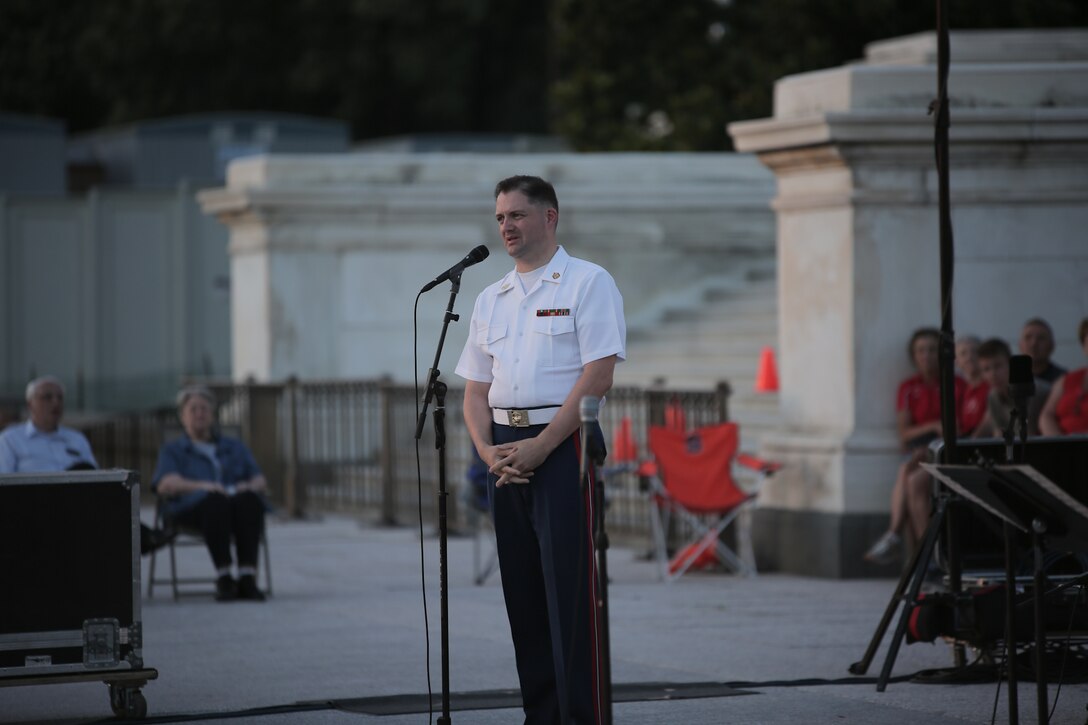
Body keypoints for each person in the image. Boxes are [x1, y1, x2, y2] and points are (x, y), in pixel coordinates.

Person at [456, 175, 625, 725]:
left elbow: (599, 374)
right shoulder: (490, 297)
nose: (506, 225)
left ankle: (581, 715)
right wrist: (486, 450)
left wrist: (544, 446)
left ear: (550, 217)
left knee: (570, 592)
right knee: (523, 591)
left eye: (518, 215)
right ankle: (543, 714)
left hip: (564, 443)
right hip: (505, 450)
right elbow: (476, 389)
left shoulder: (586, 282)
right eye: (501, 216)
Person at [0, 376, 175, 554]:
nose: (55, 402)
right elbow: (6, 484)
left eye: (60, 398)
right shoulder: (11, 439)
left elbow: (96, 479)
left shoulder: (76, 439)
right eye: (47, 397)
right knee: (82, 472)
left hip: (78, 503)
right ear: (30, 404)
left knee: (101, 482)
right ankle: (144, 537)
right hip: (37, 504)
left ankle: (138, 539)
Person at [152, 384, 268, 601]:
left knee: (250, 500)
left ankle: (247, 577)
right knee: (215, 501)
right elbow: (165, 484)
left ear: (213, 414)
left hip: (235, 507)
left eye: (204, 409)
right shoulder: (173, 450)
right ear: (183, 416)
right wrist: (203, 487)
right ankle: (224, 577)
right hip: (191, 509)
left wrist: (249, 486)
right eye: (193, 409)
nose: (199, 414)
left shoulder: (233, 446)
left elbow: (260, 479)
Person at [864, 328, 964, 565]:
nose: (926, 356)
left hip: (942, 449)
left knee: (910, 478)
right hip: (916, 450)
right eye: (921, 351)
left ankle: (898, 538)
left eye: (931, 350)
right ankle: (922, 553)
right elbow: (904, 433)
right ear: (914, 356)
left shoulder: (956, 384)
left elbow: (958, 428)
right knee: (907, 473)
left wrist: (931, 436)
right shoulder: (908, 387)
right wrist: (931, 425)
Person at [1038, 317, 1088, 436]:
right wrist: (1060, 445)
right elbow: (1046, 416)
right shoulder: (1066, 380)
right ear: (1084, 346)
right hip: (1064, 450)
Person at [955, 334, 988, 436]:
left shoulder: (991, 386)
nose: (969, 357)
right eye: (963, 353)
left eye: (975, 352)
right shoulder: (958, 389)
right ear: (956, 361)